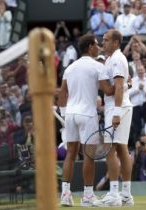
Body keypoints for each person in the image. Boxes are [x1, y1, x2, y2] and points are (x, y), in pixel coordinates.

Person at [58, 34, 114, 207]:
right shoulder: (98, 66)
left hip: (71, 115)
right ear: (90, 47)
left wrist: (64, 113)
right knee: (89, 156)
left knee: (71, 155)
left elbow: (62, 94)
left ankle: (65, 195)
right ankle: (88, 196)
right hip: (87, 114)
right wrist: (124, 84)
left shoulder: (69, 68)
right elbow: (108, 90)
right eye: (97, 44)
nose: (99, 47)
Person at [93, 29, 133, 207]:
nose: (103, 43)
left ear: (116, 43)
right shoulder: (113, 59)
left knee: (110, 149)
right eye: (102, 40)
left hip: (117, 108)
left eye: (106, 40)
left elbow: (117, 87)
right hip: (121, 106)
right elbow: (123, 84)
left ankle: (114, 195)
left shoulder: (116, 58)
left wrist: (116, 113)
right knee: (122, 149)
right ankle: (126, 195)